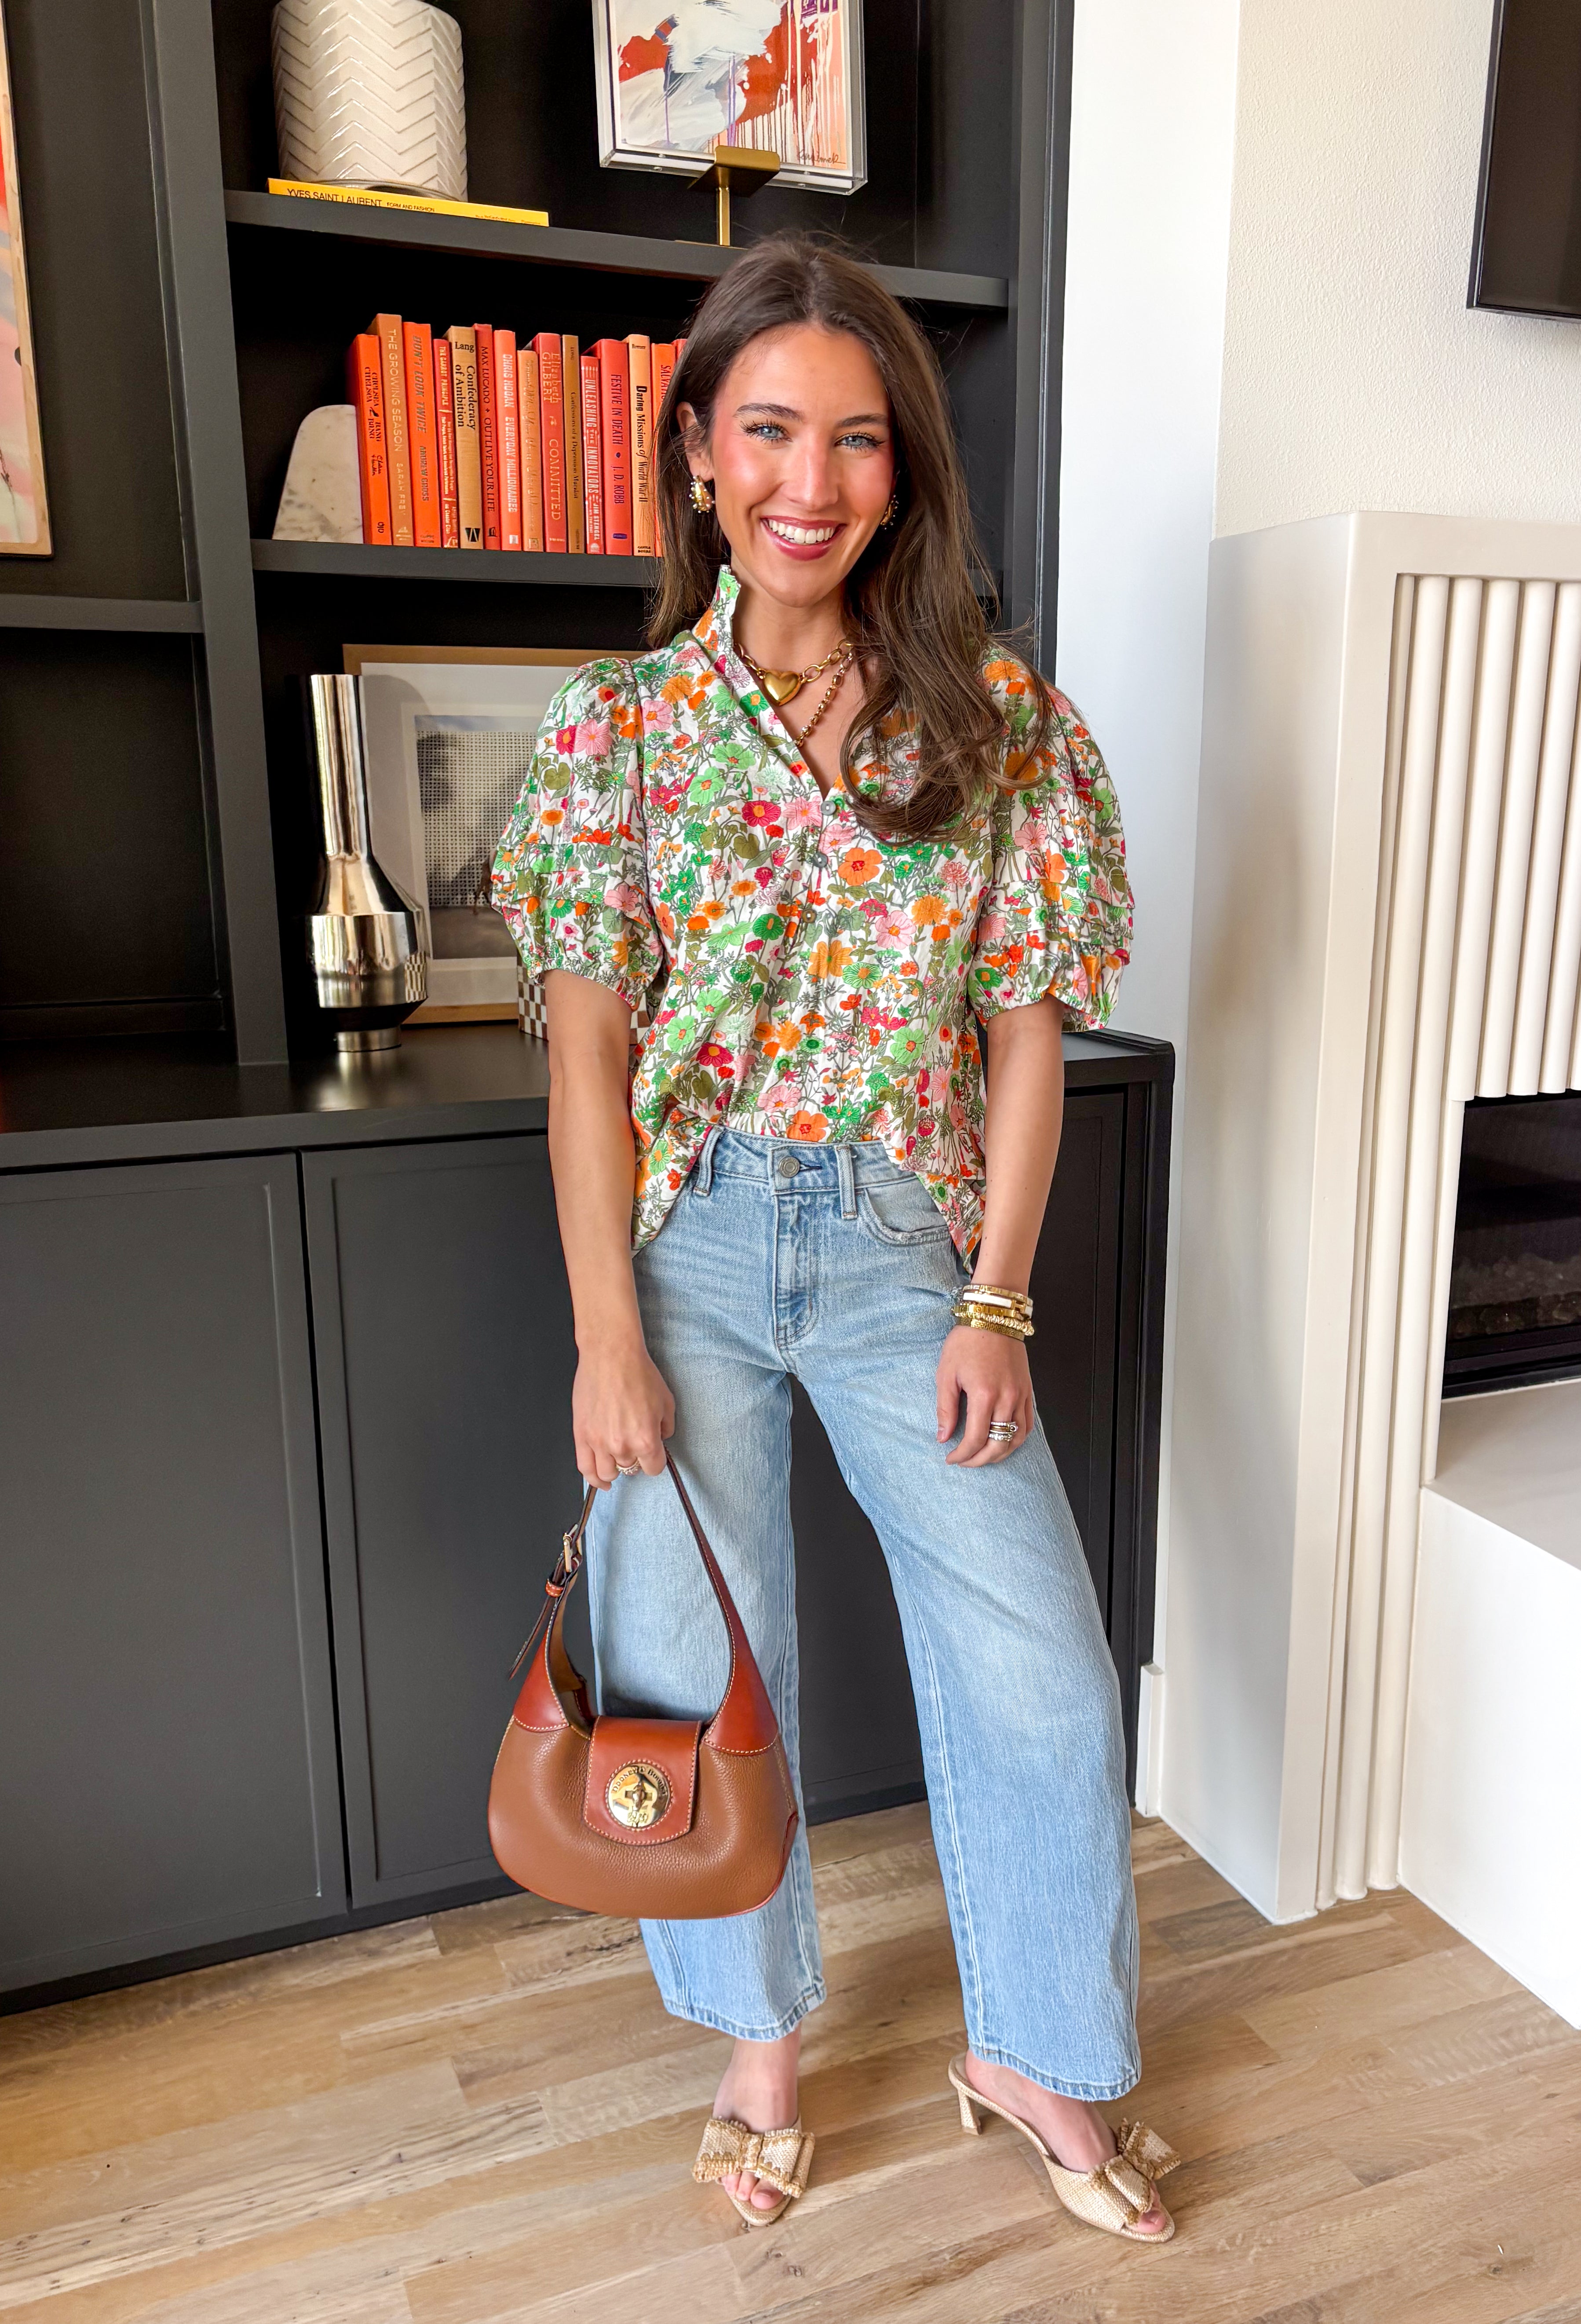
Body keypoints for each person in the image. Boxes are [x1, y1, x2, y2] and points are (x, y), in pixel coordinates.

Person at [492, 234, 1178, 2246]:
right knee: (697, 1659)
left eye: (858, 438)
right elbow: (587, 1065)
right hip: (687, 1235)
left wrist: (994, 1298)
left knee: (1039, 1667)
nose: (812, 479)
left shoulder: (996, 722)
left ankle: (1032, 2048)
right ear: (699, 450)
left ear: (902, 469)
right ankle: (759, 2041)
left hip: (903, 1240)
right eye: (771, 429)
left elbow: (1026, 1035)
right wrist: (605, 1335)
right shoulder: (618, 731)